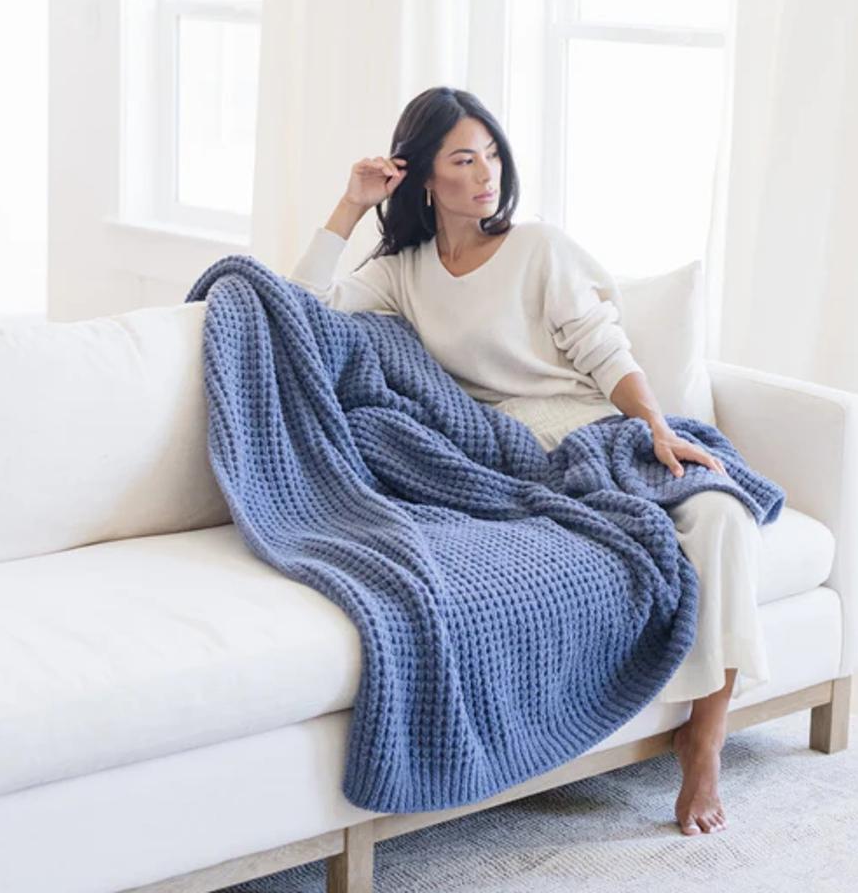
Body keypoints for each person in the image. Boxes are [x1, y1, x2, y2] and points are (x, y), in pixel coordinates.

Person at [289, 86, 771, 837]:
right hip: (503, 456)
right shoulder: (401, 273)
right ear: (421, 175)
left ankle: (703, 738)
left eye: (490, 154)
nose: (485, 173)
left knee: (721, 511)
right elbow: (299, 308)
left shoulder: (539, 247)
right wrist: (349, 206)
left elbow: (602, 347)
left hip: (592, 428)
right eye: (461, 158)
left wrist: (652, 425)